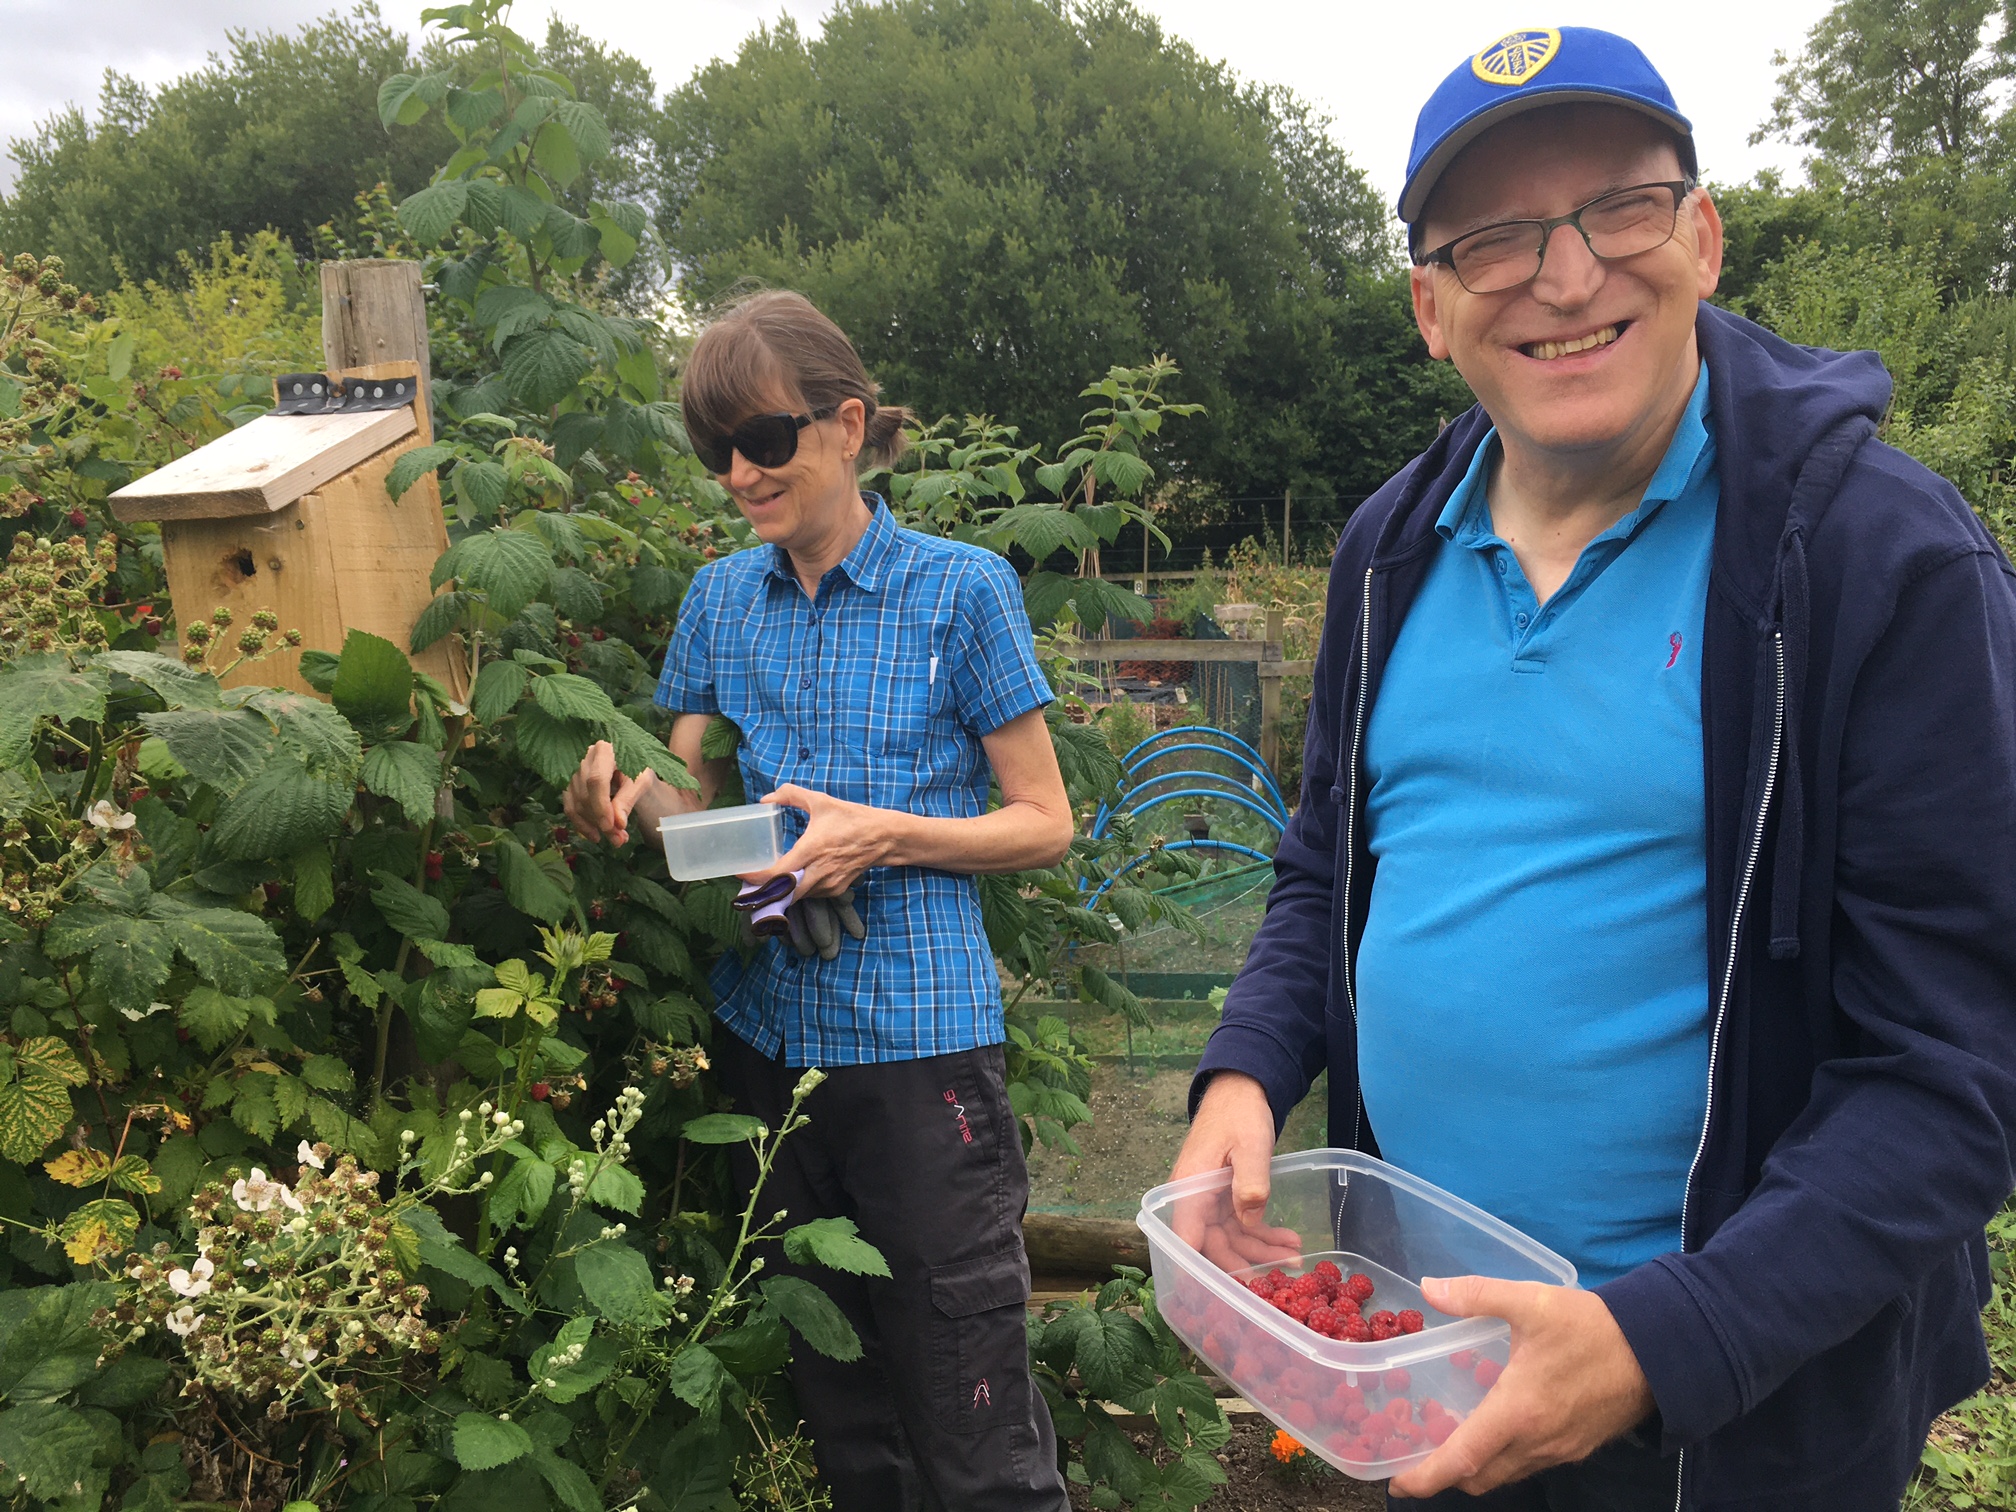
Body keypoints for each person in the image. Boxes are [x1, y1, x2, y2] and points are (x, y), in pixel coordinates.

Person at [1171, 26, 2016, 1512]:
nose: (1565, 279)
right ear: (1431, 308)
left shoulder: (1881, 561)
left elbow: (1957, 1070)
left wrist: (1659, 1342)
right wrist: (1246, 1072)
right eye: (1495, 240)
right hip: (1427, 1364)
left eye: (1617, 210)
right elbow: (1326, 871)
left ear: (1700, 231)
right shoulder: (1385, 555)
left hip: (1739, 1403)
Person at [563, 290, 1074, 1512]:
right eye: (716, 450)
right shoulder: (720, 600)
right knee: (844, 1406)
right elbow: (692, 807)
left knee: (968, 1400)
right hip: (767, 1035)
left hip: (917, 1049)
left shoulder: (962, 591)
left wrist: (879, 837)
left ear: (847, 424)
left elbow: (1046, 822)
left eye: (767, 440)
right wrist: (626, 807)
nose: (740, 473)